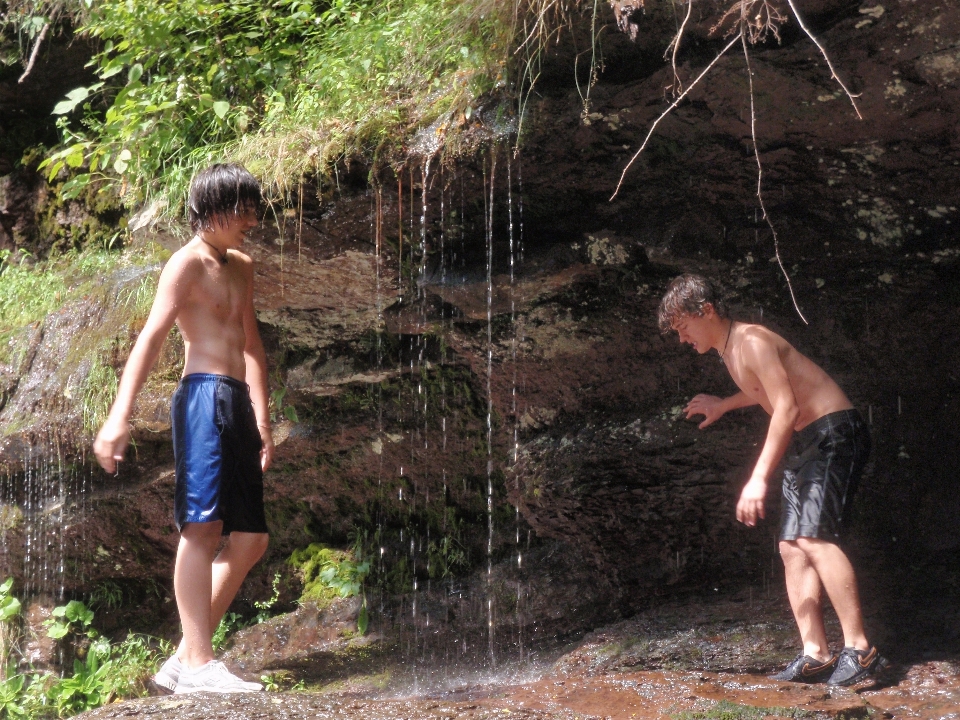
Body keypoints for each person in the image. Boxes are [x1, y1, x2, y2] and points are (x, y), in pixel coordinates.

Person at [93, 163, 273, 694]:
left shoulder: (241, 265)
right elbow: (151, 337)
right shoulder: (185, 264)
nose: (252, 219)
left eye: (253, 208)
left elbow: (252, 345)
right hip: (201, 399)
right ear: (212, 210)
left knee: (252, 538)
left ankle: (183, 660)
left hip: (237, 401)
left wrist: (262, 419)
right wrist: (118, 415)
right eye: (243, 208)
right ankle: (198, 665)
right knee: (202, 527)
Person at [658, 273, 885, 687]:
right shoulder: (730, 351)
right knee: (791, 549)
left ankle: (861, 649)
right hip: (808, 441)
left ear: (705, 310)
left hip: (834, 434)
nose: (682, 339)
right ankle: (815, 654)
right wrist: (724, 403)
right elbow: (764, 388)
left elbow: (784, 406)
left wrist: (757, 478)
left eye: (682, 327)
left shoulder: (753, 342)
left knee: (815, 540)